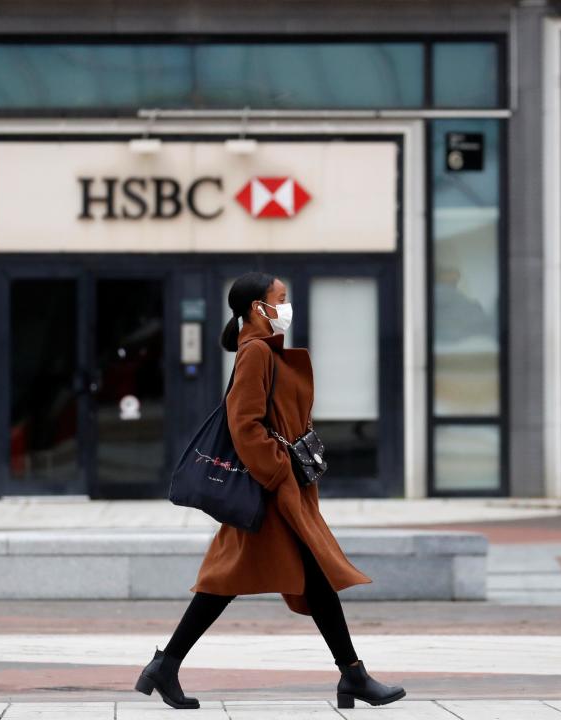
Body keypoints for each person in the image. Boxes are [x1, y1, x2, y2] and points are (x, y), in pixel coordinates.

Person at [134, 271, 406, 710]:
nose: (286, 305)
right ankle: (352, 676)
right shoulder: (256, 352)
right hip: (271, 492)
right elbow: (245, 424)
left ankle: (167, 665)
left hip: (279, 490)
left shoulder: (263, 351)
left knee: (262, 580)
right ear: (258, 308)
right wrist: (279, 472)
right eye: (280, 298)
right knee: (270, 579)